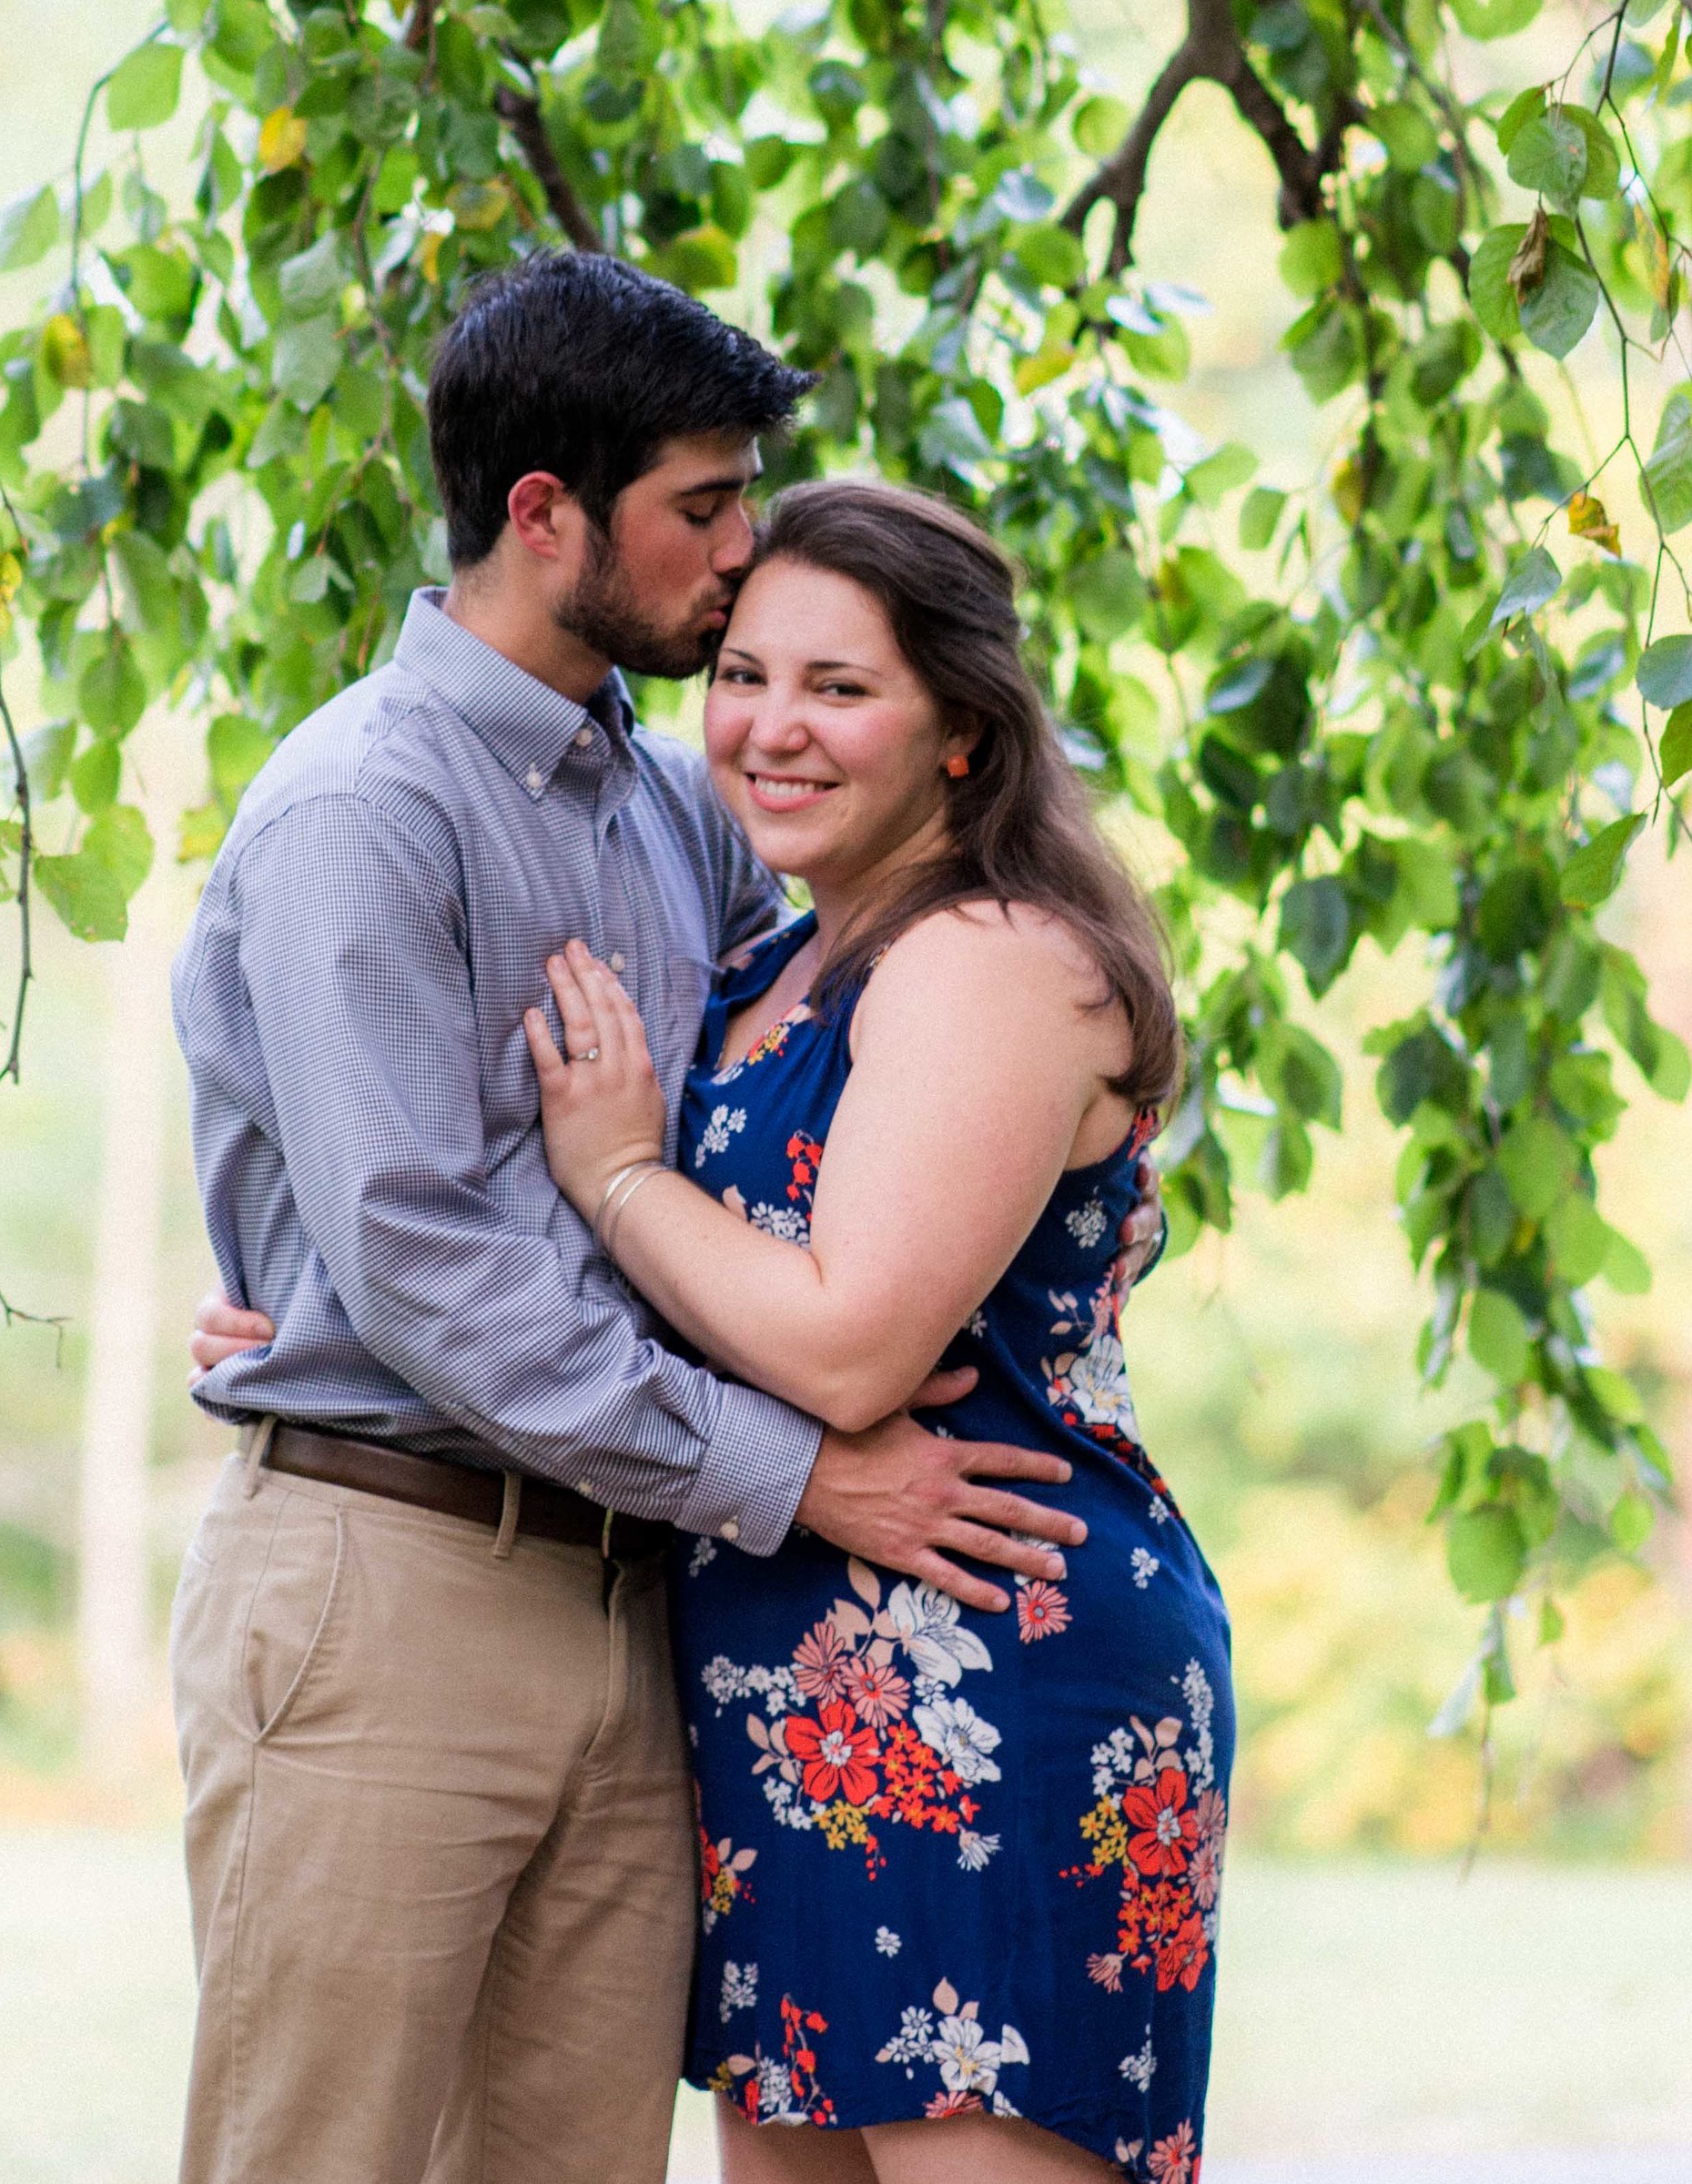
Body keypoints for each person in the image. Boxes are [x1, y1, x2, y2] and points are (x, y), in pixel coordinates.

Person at [170, 255, 1160, 2184]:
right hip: (398, 1578)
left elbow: (785, 1162)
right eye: (699, 510)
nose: (733, 561)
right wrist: (796, 1473)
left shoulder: (666, 805)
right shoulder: (363, 808)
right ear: (546, 516)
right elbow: (425, 1265)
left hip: (639, 1601)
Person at [517, 480, 1232, 2184]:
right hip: (792, 1696)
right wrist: (310, 1321)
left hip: (999, 1662)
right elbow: (685, 1289)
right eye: (743, 674)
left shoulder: (992, 957)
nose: (771, 728)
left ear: (964, 730)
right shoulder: (777, 957)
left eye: (839, 687)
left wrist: (618, 1173)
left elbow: (846, 1348)